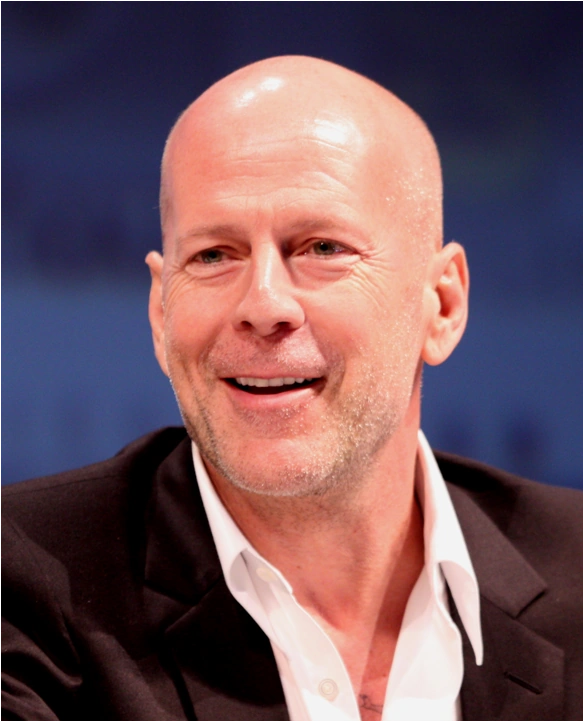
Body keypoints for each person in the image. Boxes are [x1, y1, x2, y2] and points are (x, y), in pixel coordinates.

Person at [0, 56, 582, 722]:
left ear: (442, 305)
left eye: (322, 248)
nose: (263, 304)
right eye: (213, 255)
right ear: (160, 313)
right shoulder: (22, 585)